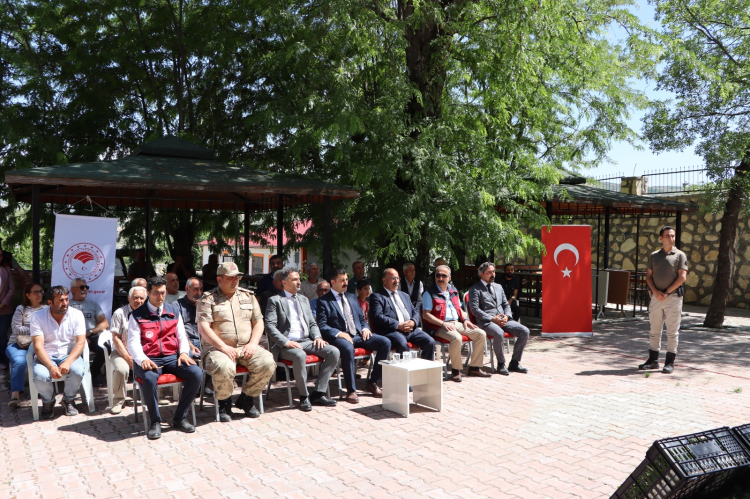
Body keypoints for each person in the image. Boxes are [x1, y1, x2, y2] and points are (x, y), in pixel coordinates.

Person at [197, 262, 275, 422]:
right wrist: (224, 347)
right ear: (219, 279)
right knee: (224, 367)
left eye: (237, 277)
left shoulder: (248, 296)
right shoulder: (208, 299)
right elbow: (204, 328)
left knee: (267, 362)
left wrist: (253, 343)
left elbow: (259, 322)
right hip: (217, 349)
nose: (235, 281)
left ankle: (246, 398)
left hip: (246, 347)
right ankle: (224, 403)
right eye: (230, 278)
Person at [127, 276, 203, 439]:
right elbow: (132, 343)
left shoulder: (173, 311)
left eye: (163, 293)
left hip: (172, 357)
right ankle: (155, 421)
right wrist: (142, 359)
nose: (160, 296)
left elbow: (182, 336)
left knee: (196, 373)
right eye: (156, 293)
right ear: (148, 293)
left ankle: (180, 417)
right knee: (149, 379)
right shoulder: (137, 315)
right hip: (149, 358)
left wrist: (184, 352)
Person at [265, 267, 339, 411]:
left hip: (306, 341)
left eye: (299, 279)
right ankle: (304, 396)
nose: (299, 282)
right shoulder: (275, 300)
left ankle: (318, 392)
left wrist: (317, 337)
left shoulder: (304, 299)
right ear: (284, 282)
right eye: (295, 279)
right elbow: (269, 326)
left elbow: (312, 323)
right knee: (300, 355)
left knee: (333, 352)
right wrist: (286, 342)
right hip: (285, 346)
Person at [317, 267, 391, 403]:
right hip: (339, 337)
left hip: (357, 334)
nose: (346, 282)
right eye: (342, 280)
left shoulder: (351, 297)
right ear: (333, 282)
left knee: (385, 342)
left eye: (346, 279)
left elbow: (361, 318)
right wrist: (339, 333)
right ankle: (351, 390)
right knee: (348, 348)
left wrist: (365, 328)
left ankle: (373, 382)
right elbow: (322, 325)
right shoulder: (324, 301)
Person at [422, 265, 490, 381]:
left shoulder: (453, 291)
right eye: (438, 275)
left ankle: (474, 368)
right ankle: (455, 370)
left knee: (480, 334)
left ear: (449, 278)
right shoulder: (429, 293)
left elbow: (460, 309)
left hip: (456, 322)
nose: (440, 278)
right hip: (438, 326)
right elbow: (426, 315)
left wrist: (466, 320)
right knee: (456, 338)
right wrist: (443, 324)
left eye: (444, 276)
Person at [30, 286, 87, 419]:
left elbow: (80, 342)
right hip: (46, 356)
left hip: (69, 355)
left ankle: (68, 400)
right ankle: (48, 401)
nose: (65, 303)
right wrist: (51, 366)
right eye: (61, 300)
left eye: (66, 299)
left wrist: (67, 362)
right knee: (40, 375)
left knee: (78, 370)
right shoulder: (37, 317)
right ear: (50, 302)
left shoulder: (77, 314)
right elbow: (38, 347)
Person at [639, 226, 688, 374]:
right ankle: (653, 360)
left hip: (673, 298)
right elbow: (648, 276)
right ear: (661, 238)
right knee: (654, 330)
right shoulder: (654, 256)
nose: (671, 238)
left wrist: (666, 292)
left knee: (672, 332)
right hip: (656, 298)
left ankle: (669, 363)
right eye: (667, 236)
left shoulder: (680, 255)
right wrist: (656, 292)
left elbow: (682, 278)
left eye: (672, 236)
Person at [468, 263, 530, 375]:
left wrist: (507, 316)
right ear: (481, 274)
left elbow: (506, 304)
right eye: (489, 272)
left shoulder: (498, 287)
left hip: (503, 319)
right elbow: (475, 310)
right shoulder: (475, 289)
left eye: (493, 271)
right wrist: (492, 319)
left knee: (524, 331)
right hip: (487, 322)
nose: (492, 274)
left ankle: (514, 362)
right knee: (499, 333)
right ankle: (501, 364)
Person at [370, 268, 435, 361]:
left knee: (430, 341)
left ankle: (426, 369)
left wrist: (413, 322)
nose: (396, 281)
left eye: (398, 278)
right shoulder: (377, 296)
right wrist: (398, 325)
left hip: (410, 329)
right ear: (384, 280)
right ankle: (404, 370)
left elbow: (415, 311)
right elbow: (378, 316)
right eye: (393, 278)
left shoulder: (404, 295)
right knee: (402, 344)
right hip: (392, 331)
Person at [6, 283, 47, 408]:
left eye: (40, 291)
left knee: (44, 359)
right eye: (36, 292)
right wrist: (37, 330)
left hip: (41, 344)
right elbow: (16, 328)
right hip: (19, 344)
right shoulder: (21, 309)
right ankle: (15, 395)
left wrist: (34, 331)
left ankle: (44, 391)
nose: (39, 294)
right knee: (19, 361)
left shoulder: (47, 309)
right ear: (28, 295)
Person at [108, 286, 147, 414]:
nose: (139, 301)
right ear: (128, 298)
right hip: (121, 351)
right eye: (135, 298)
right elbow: (116, 338)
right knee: (121, 369)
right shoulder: (119, 313)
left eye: (141, 298)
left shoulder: (149, 312)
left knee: (156, 363)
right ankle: (118, 401)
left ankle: (157, 395)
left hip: (143, 352)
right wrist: (128, 357)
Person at [69, 278, 109, 386]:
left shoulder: (93, 304)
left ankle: (92, 375)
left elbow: (105, 323)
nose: (85, 289)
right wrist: (81, 337)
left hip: (91, 336)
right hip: (73, 338)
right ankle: (79, 377)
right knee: (79, 351)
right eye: (82, 287)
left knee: (106, 347)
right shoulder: (67, 305)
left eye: (86, 287)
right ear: (72, 290)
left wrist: (90, 332)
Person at [175, 277, 210, 394]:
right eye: (195, 289)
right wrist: (189, 344)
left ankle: (206, 384)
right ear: (187, 289)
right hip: (187, 341)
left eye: (201, 289)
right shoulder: (177, 305)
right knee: (188, 354)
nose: (199, 293)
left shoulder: (206, 305)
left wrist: (201, 308)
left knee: (216, 352)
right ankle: (193, 387)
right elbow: (177, 329)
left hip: (204, 340)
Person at [0, 248, 16, 370]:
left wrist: (3, 303)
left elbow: (12, 288)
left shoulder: (6, 270)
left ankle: (1, 360)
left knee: (1, 336)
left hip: (4, 310)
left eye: (0, 255)